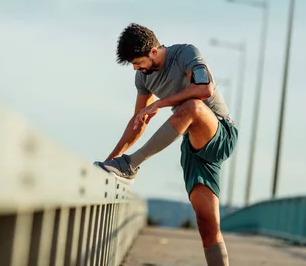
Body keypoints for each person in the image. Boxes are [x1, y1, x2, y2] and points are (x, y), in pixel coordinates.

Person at [94, 23, 238, 266]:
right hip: (193, 145)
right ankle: (123, 165)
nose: (135, 68)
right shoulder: (143, 78)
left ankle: (132, 165)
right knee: (207, 223)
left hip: (220, 132)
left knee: (191, 107)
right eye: (132, 64)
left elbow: (204, 88)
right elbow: (138, 122)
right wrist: (111, 161)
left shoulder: (185, 54)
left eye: (137, 61)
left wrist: (159, 104)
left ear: (152, 51)